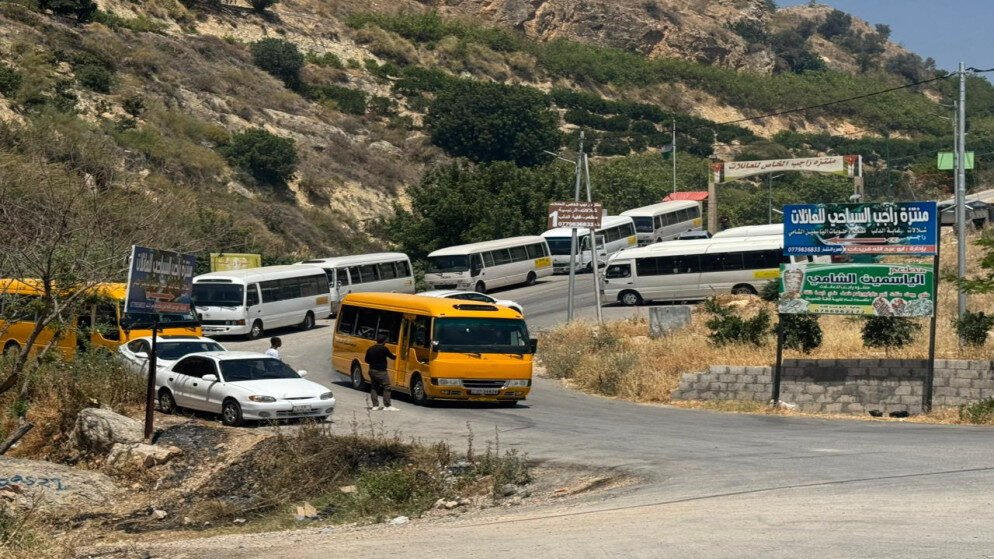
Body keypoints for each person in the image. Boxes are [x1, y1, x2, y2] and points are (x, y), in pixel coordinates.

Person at [364, 335, 398, 411]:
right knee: (387, 386)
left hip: (372, 370)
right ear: (384, 341)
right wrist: (395, 355)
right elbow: (393, 357)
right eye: (386, 340)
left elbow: (366, 360)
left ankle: (375, 406)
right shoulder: (384, 349)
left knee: (374, 387)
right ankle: (387, 405)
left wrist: (374, 362)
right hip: (381, 371)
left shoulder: (370, 348)